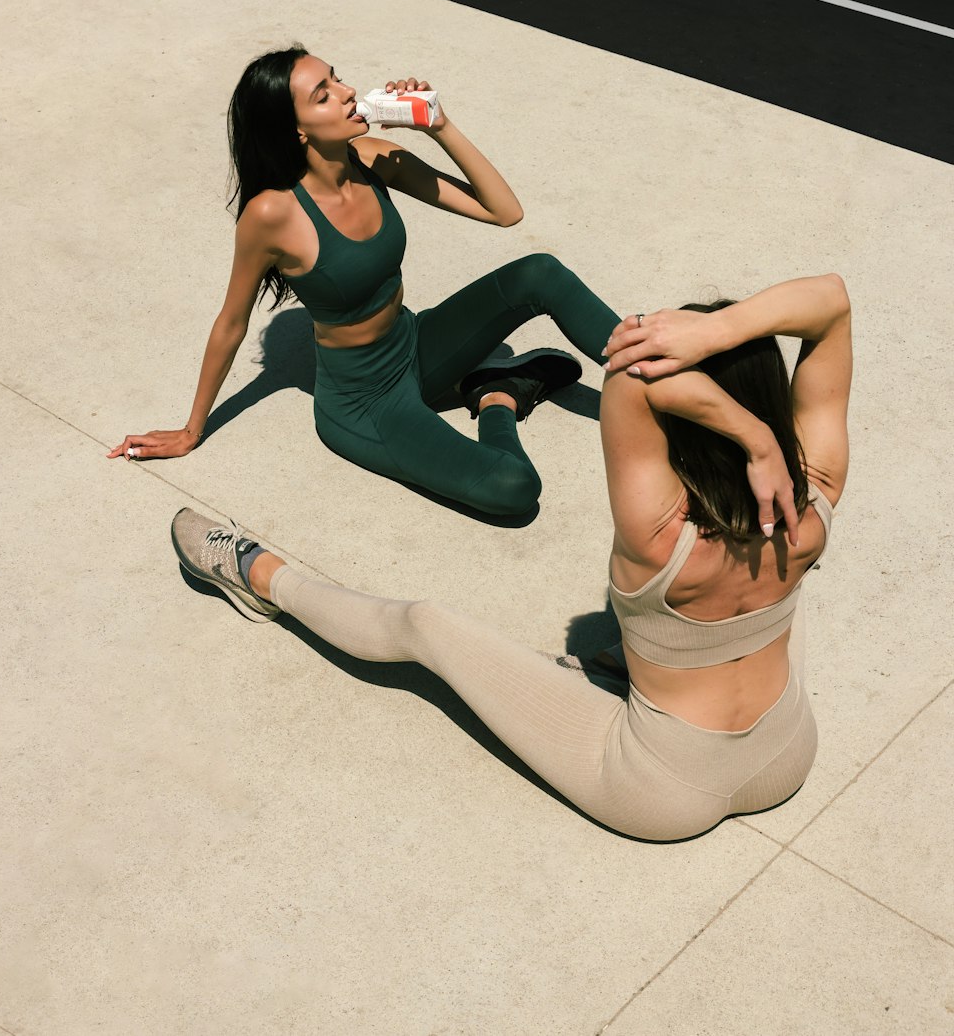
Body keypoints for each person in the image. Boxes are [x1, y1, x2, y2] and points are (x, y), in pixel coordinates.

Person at [169, 274, 851, 841]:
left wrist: (748, 431)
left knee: (425, 625)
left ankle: (254, 572)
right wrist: (731, 345)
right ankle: (635, 657)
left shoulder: (660, 530)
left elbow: (628, 372)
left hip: (661, 788)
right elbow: (832, 301)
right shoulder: (816, 493)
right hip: (787, 752)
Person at [110, 46, 622, 516]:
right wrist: (190, 429)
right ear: (297, 131)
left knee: (541, 273)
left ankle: (660, 380)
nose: (347, 92)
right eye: (323, 94)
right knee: (514, 488)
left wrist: (438, 126)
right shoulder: (273, 214)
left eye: (337, 79)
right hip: (365, 402)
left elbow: (504, 211)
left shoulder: (374, 157)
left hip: (416, 343)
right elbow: (231, 322)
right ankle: (498, 396)